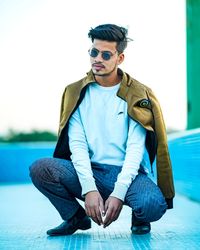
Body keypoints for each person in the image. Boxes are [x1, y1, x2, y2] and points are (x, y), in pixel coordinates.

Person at [29, 24, 175, 236]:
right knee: (40, 168)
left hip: (129, 173)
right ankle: (75, 218)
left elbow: (135, 149)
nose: (98, 59)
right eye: (94, 52)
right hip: (90, 169)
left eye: (106, 54)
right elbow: (76, 144)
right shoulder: (76, 92)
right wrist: (89, 188)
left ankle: (139, 215)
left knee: (152, 205)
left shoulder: (138, 93)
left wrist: (119, 192)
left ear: (120, 58)